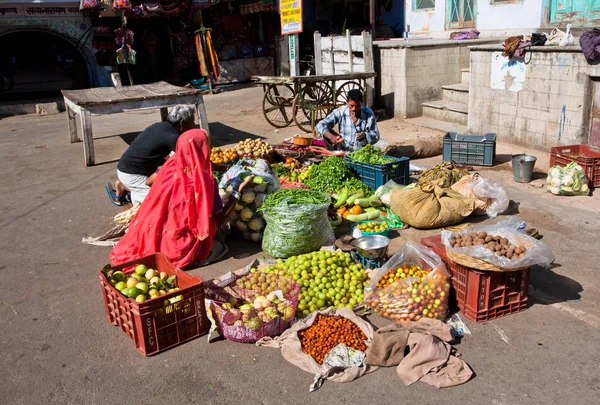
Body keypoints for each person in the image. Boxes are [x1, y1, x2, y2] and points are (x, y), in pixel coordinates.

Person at [110, 129, 255, 268]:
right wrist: (237, 190)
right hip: (177, 245)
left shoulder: (169, 165)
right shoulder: (204, 183)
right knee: (218, 243)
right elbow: (219, 219)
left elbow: (148, 182)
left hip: (151, 232)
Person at [107, 105, 196, 205]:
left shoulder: (159, 126)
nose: (193, 125)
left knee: (164, 185)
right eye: (192, 122)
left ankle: (127, 186)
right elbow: (188, 160)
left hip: (127, 167)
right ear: (182, 123)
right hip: (132, 174)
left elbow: (163, 156)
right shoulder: (173, 137)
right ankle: (128, 189)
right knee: (160, 202)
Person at [315, 89, 380, 152]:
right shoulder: (341, 111)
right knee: (325, 131)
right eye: (351, 105)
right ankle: (335, 155)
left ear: (362, 103)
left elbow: (376, 135)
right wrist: (331, 136)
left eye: (357, 106)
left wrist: (365, 135)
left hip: (361, 151)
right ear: (347, 102)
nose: (354, 109)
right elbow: (320, 125)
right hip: (343, 148)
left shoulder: (368, 113)